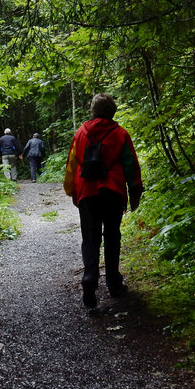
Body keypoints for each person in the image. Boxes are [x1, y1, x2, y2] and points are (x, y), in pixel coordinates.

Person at [64, 93, 143, 308]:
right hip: (113, 192)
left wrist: (71, 190)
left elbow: (72, 163)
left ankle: (90, 277)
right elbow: (130, 164)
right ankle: (113, 283)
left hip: (87, 193)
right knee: (112, 236)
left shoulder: (80, 133)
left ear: (93, 110)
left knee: (90, 238)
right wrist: (135, 191)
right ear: (112, 111)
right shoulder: (120, 134)